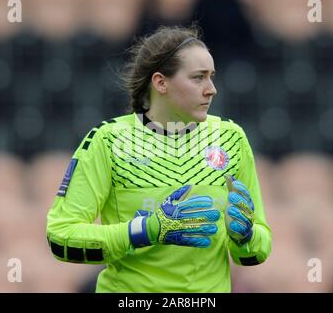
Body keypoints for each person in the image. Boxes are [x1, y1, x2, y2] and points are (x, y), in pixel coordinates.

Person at [46, 25, 271, 292]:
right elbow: (61, 238)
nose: (212, 89)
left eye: (212, 77)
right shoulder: (109, 140)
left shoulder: (230, 138)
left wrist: (245, 236)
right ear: (160, 82)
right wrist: (143, 230)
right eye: (198, 78)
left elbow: (257, 250)